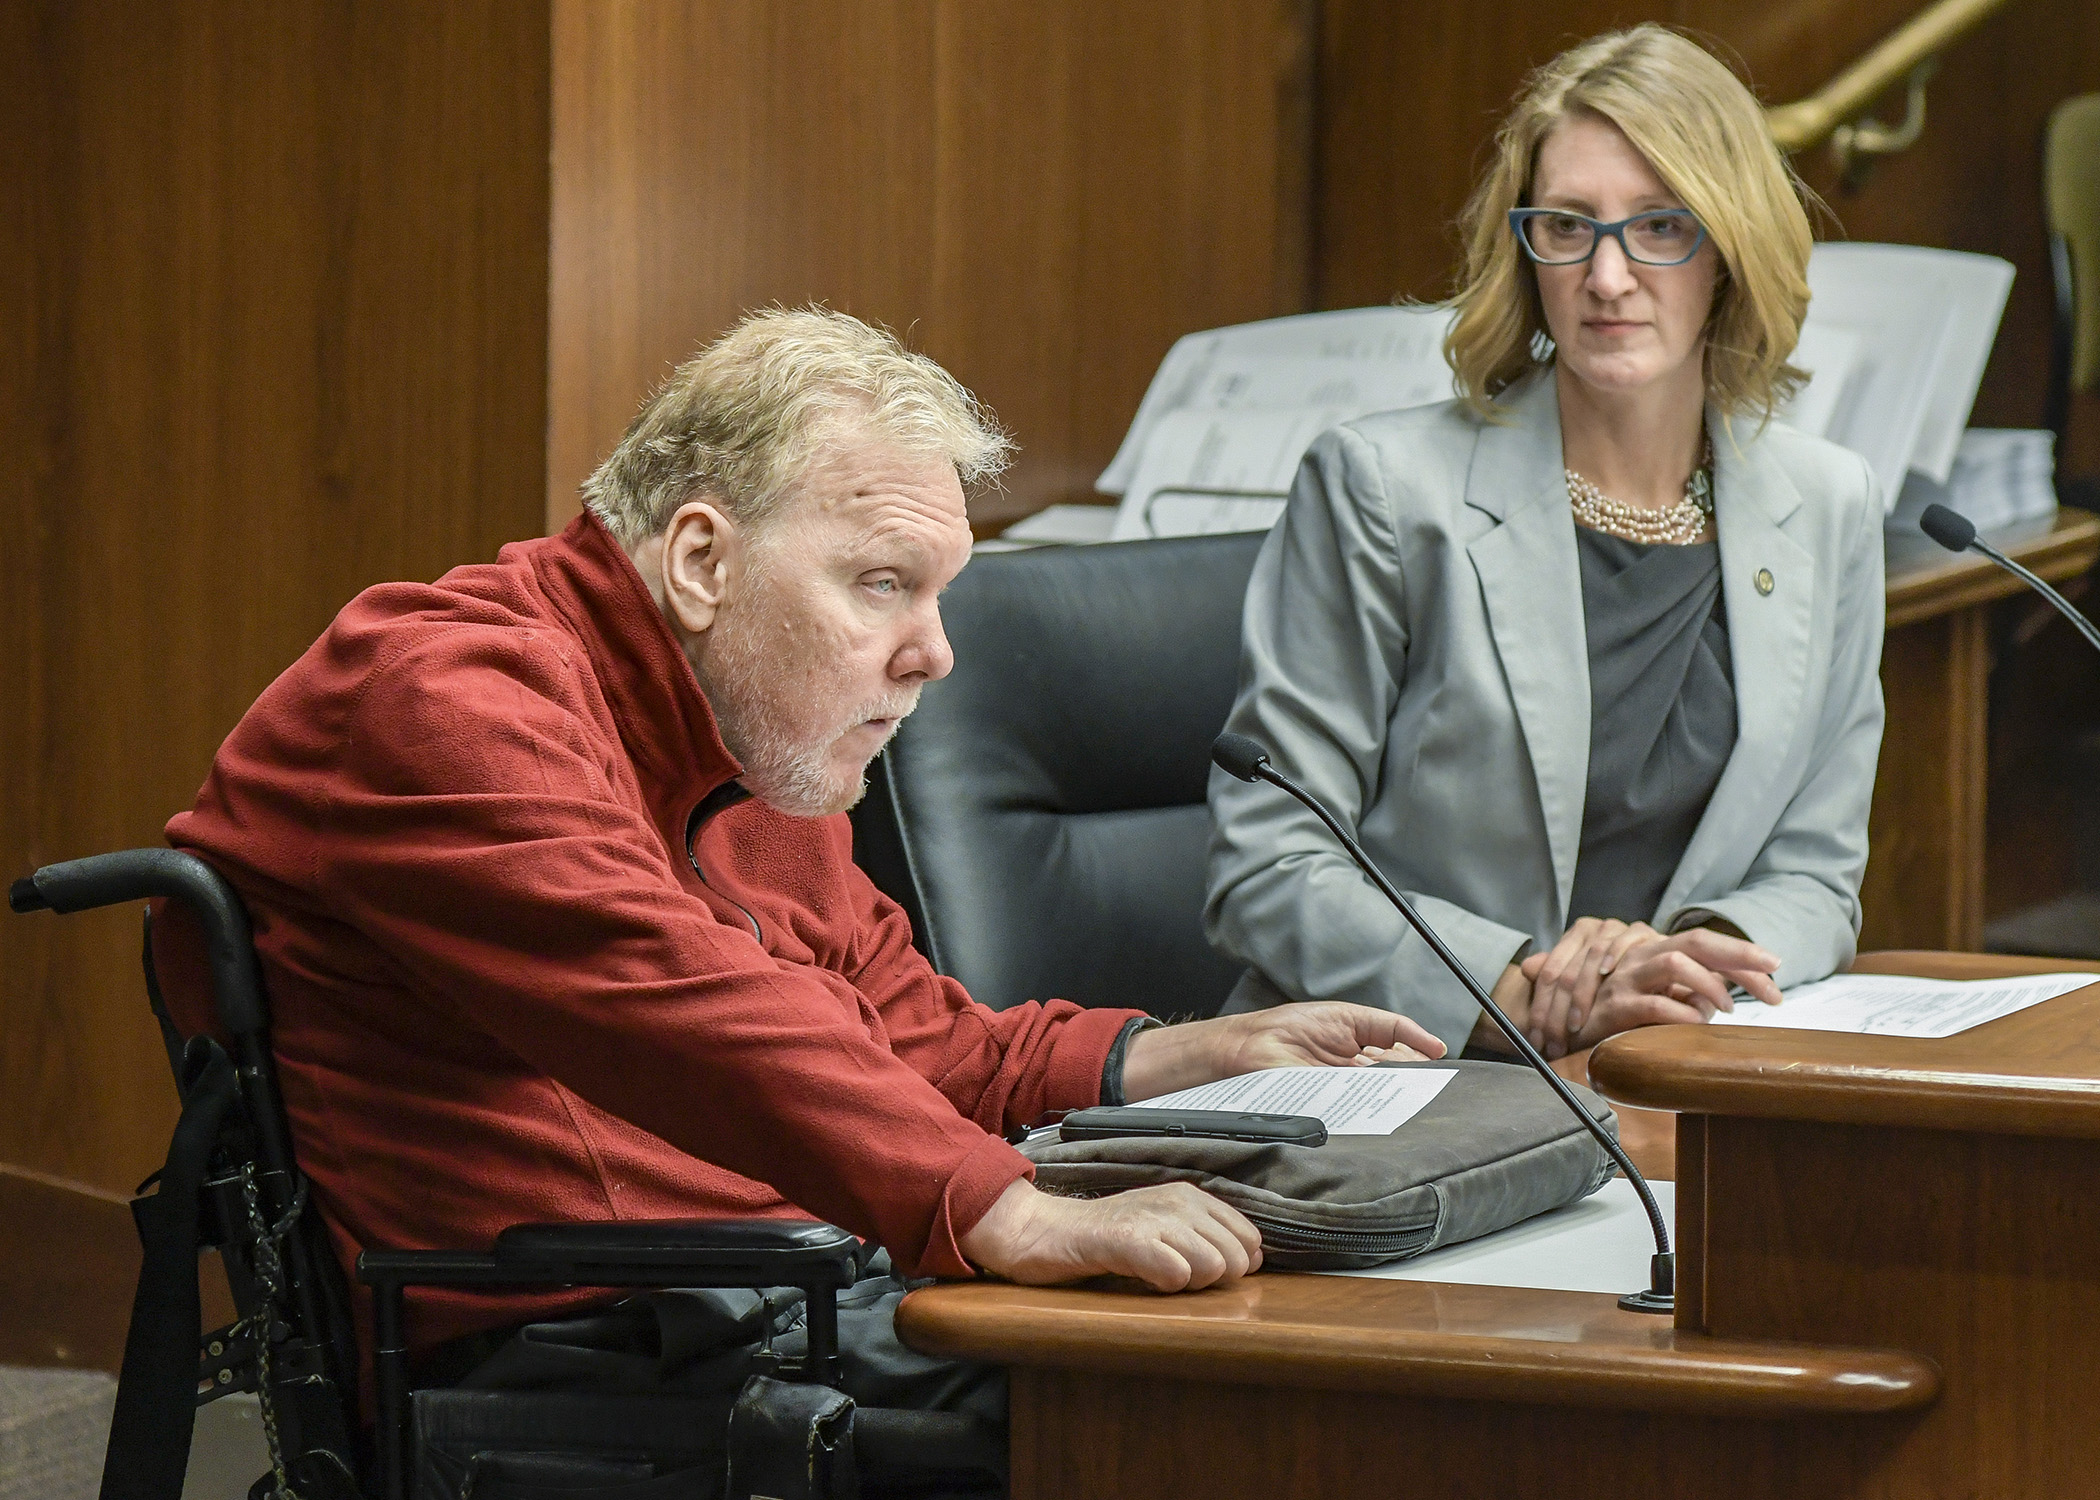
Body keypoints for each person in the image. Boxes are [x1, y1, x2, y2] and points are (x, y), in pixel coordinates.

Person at [152, 307, 1441, 1478]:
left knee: (1317, 1346)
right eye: (884, 582)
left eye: (941, 593)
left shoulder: (747, 731)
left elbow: (913, 1034)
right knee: (1245, 1421)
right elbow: (689, 1006)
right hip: (585, 1345)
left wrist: (1183, 1057)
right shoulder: (438, 698)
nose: (935, 651)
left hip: (794, 1287)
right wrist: (1002, 1208)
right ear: (703, 560)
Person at [1206, 25, 1885, 1066]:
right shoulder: (1386, 492)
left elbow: (1816, 876)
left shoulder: (1828, 505)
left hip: (1670, 1070)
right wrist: (1531, 991)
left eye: (1662, 226)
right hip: (1410, 1070)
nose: (1608, 276)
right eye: (1568, 225)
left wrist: (1679, 972)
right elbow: (1269, 864)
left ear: (1732, 248)